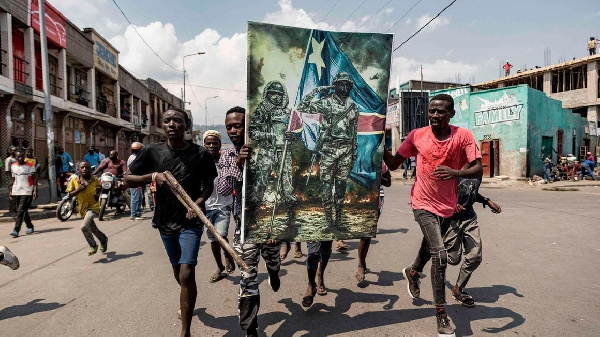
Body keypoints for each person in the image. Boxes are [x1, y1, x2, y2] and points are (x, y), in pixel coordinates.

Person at [384, 93, 483, 336]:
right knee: (439, 254)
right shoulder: (417, 135)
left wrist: (456, 172)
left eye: (440, 112)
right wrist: (378, 142)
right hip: (422, 202)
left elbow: (478, 168)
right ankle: (441, 313)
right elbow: (395, 163)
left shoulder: (463, 136)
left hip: (447, 205)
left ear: (451, 114)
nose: (435, 116)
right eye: (432, 111)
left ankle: (413, 272)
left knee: (430, 246)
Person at [124, 108, 217, 337]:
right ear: (163, 126)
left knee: (187, 272)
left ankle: (185, 332)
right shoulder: (151, 151)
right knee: (178, 272)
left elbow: (209, 184)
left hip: (191, 221)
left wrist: (198, 202)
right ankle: (187, 297)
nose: (172, 124)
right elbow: (127, 179)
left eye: (177, 120)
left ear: (186, 125)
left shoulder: (201, 154)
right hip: (165, 221)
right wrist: (153, 176)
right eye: (167, 121)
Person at [217, 106, 281, 337]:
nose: (234, 130)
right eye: (229, 127)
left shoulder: (268, 151)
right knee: (247, 278)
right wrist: (240, 165)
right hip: (244, 228)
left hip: (270, 224)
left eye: (238, 125)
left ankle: (274, 271)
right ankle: (251, 328)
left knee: (272, 259)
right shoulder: (227, 156)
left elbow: (280, 187)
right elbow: (223, 188)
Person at [298, 71, 359, 231]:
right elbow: (302, 106)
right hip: (329, 149)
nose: (344, 87)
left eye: (347, 84)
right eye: (341, 84)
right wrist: (318, 90)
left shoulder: (353, 106)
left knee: (340, 187)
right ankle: (328, 223)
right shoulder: (326, 102)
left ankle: (338, 222)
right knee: (326, 186)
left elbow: (354, 133)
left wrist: (353, 153)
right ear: (335, 85)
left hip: (346, 150)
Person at [445, 174, 501, 308]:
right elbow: (438, 192)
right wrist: (451, 203)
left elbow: (471, 192)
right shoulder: (453, 167)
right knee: (453, 259)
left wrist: (487, 201)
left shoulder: (478, 171)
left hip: (469, 218)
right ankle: (432, 249)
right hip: (451, 220)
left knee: (475, 256)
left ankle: (458, 289)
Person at [247, 80, 297, 223]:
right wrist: (268, 136)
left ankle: (290, 215)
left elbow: (296, 135)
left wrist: (292, 136)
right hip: (267, 151)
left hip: (284, 151)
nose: (276, 97)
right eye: (273, 94)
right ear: (267, 94)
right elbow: (252, 132)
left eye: (279, 94)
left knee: (287, 184)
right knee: (260, 183)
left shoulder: (288, 113)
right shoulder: (261, 110)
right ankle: (252, 215)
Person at [202, 130, 236, 282]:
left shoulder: (226, 160)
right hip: (206, 207)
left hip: (224, 204)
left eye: (214, 143)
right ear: (204, 145)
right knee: (212, 240)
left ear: (219, 144)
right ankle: (219, 267)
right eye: (208, 143)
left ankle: (228, 255)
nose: (211, 146)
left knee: (221, 235)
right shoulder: (200, 161)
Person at [356, 162, 392, 283]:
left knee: (367, 234)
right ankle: (361, 263)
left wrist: (378, 177)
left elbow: (388, 182)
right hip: (357, 199)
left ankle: (362, 262)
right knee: (365, 233)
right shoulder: (353, 156)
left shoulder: (380, 161)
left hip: (376, 200)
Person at [66, 161, 108, 256]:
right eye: (82, 167)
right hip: (82, 208)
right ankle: (103, 239)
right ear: (78, 169)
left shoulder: (95, 180)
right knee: (93, 228)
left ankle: (93, 245)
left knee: (84, 227)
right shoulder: (74, 180)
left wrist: (97, 193)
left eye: (87, 167)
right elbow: (69, 194)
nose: (84, 169)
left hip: (93, 207)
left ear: (90, 169)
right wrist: (79, 189)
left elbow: (99, 188)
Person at [9, 151, 38, 237]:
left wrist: (35, 190)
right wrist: (11, 191)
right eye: (18, 156)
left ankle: (16, 230)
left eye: (22, 156)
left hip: (27, 190)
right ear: (15, 157)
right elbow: (13, 179)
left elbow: (35, 179)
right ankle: (30, 226)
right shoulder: (13, 166)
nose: (20, 158)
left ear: (24, 156)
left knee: (21, 210)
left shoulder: (30, 166)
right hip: (16, 190)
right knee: (20, 209)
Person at [127, 142, 144, 221]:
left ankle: (137, 212)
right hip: (134, 180)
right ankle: (133, 215)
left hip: (137, 179)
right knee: (135, 198)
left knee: (139, 197)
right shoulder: (134, 158)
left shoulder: (136, 156)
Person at [4, 146, 18, 211]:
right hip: (12, 180)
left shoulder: (17, 159)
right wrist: (11, 181)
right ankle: (12, 209)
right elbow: (7, 171)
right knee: (12, 194)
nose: (15, 152)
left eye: (16, 150)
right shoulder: (9, 160)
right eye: (13, 150)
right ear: (10, 151)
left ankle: (15, 208)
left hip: (18, 179)